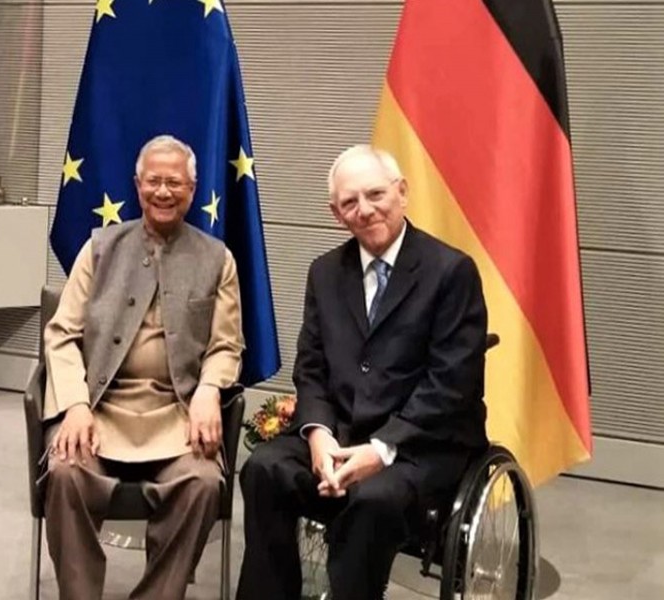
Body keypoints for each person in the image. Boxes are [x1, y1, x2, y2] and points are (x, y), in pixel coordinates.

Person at [237, 145, 488, 600]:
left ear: (402, 192)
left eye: (375, 194)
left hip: (420, 447)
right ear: (336, 213)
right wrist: (318, 435)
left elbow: (452, 386)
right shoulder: (325, 273)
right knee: (264, 469)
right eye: (350, 202)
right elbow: (311, 368)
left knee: (373, 500)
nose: (365, 209)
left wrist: (380, 449)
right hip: (340, 434)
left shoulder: (451, 272)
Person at [40, 134, 244, 600]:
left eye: (175, 182)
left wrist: (210, 391)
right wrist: (74, 406)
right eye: (154, 181)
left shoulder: (219, 260)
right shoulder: (98, 248)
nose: (164, 191)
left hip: (176, 415)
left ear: (192, 190)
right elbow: (61, 334)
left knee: (202, 481)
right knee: (67, 471)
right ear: (137, 185)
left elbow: (226, 345)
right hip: (99, 409)